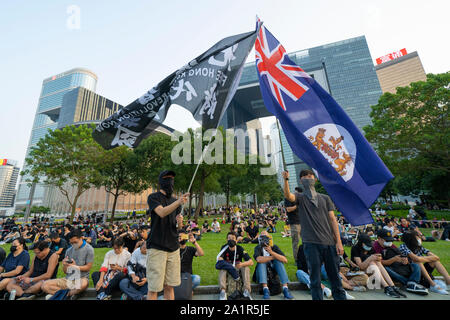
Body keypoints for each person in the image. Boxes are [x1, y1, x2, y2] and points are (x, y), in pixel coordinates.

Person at [282, 170, 346, 300]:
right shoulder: (300, 197)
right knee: (315, 280)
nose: (308, 178)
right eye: (304, 177)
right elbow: (289, 196)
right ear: (301, 181)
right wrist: (286, 180)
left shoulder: (325, 198)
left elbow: (333, 220)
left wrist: (338, 242)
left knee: (335, 278)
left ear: (315, 179)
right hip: (311, 244)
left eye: (310, 176)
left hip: (329, 243)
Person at [146, 170, 189, 300]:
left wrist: (180, 223)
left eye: (172, 179)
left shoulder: (175, 201)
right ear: (161, 181)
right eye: (167, 178)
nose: (170, 181)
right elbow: (162, 212)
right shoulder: (153, 197)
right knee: (154, 288)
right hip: (157, 247)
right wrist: (179, 202)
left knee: (169, 286)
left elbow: (177, 227)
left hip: (173, 248)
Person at [41, 228, 94, 300]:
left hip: (81, 278)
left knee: (83, 284)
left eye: (75, 242)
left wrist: (75, 266)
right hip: (68, 279)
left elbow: (88, 267)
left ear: (81, 238)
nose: (73, 244)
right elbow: (65, 271)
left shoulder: (89, 249)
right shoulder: (69, 250)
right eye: (71, 243)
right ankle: (69, 294)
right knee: (44, 285)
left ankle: (61, 294)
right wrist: (65, 265)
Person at [373, 229, 428, 295]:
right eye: (387, 240)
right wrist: (393, 260)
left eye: (390, 240)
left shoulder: (392, 246)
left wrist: (405, 260)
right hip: (390, 268)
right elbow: (379, 263)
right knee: (385, 269)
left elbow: (401, 255)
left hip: (399, 267)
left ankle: (412, 283)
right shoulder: (375, 247)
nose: (390, 242)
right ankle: (410, 284)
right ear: (379, 238)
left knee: (416, 265)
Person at [350, 233, 405, 297]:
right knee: (372, 263)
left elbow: (378, 260)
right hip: (357, 270)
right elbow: (361, 266)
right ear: (362, 244)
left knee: (377, 262)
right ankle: (387, 287)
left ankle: (392, 286)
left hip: (371, 269)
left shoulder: (370, 248)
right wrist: (370, 258)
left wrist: (378, 258)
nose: (369, 247)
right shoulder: (355, 249)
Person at [400, 230, 449, 294]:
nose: (421, 238)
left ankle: (448, 281)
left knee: (435, 261)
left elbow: (436, 257)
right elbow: (416, 259)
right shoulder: (403, 246)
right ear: (412, 238)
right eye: (419, 236)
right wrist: (424, 259)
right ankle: (433, 285)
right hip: (412, 273)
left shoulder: (419, 247)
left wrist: (422, 258)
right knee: (418, 262)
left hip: (422, 271)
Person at [253, 231, 294, 300]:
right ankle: (265, 289)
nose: (264, 239)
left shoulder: (274, 247)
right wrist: (273, 256)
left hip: (273, 274)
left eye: (265, 237)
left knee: (279, 261)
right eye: (262, 237)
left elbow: (285, 260)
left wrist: (271, 252)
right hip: (260, 273)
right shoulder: (258, 247)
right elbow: (258, 259)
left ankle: (285, 288)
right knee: (262, 262)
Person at [216, 232, 254, 300]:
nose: (231, 240)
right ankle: (223, 291)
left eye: (233, 238)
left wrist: (241, 264)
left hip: (238, 267)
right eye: (229, 238)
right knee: (222, 269)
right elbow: (220, 260)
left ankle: (246, 291)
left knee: (246, 268)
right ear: (226, 240)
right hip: (228, 267)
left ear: (236, 240)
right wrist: (229, 266)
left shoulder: (240, 248)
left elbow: (251, 262)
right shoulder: (224, 248)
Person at [284, 186, 302, 262]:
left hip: (303, 222)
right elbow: (288, 209)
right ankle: (297, 259)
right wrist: (297, 206)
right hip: (295, 223)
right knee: (296, 242)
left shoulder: (302, 199)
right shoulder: (288, 198)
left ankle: (305, 258)